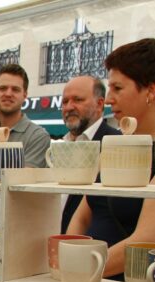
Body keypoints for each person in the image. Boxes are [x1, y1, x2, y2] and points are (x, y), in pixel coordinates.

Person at [67, 38, 155, 278]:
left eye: (118, 88)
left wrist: (78, 270)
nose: (109, 98)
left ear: (151, 90)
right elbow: (83, 213)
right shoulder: (116, 144)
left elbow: (146, 240)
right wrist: (68, 257)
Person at [59, 76, 121, 232]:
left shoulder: (115, 144)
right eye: (65, 102)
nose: (69, 107)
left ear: (100, 104)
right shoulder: (60, 145)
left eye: (77, 100)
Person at [0, 63, 50, 168]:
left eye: (15, 89)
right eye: (3, 88)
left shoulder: (37, 136)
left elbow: (20, 179)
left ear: (25, 95)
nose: (8, 94)